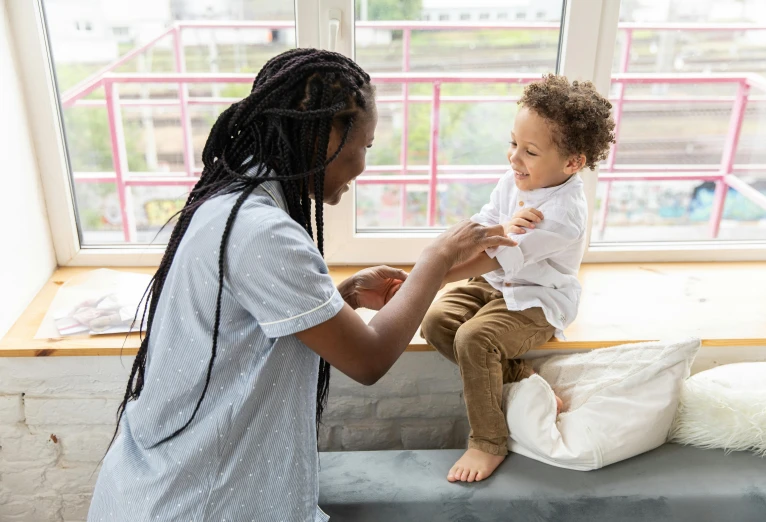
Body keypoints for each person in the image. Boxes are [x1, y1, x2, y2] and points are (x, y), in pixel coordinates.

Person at [86, 49, 515, 522]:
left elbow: (247, 325)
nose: (364, 166)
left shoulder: (235, 200)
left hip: (168, 479)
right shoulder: (262, 232)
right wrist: (437, 258)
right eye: (366, 147)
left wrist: (342, 297)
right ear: (329, 131)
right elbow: (368, 360)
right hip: (192, 501)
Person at [421, 74, 616, 483]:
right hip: (494, 285)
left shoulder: (563, 214)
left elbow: (493, 257)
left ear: (573, 162)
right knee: (436, 323)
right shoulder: (516, 179)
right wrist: (427, 271)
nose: (514, 159)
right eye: (513, 143)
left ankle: (489, 441)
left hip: (536, 300)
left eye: (529, 151)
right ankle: (520, 375)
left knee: (475, 338)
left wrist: (429, 277)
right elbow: (482, 228)